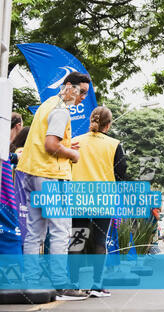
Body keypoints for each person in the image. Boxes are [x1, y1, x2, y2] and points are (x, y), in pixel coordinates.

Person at [16, 72, 90, 300]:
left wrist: (65, 146)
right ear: (69, 86)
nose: (83, 98)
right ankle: (61, 284)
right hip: (51, 175)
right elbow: (50, 145)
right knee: (60, 230)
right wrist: (72, 154)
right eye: (82, 92)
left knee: (35, 231)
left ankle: (31, 281)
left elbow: (46, 140)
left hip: (31, 173)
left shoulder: (48, 104)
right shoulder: (61, 110)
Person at [69, 106, 126, 298]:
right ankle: (96, 286)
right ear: (108, 125)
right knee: (100, 242)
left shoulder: (75, 141)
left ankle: (73, 284)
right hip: (104, 198)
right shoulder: (114, 144)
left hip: (78, 196)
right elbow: (120, 172)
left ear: (90, 121)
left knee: (77, 239)